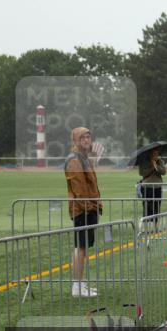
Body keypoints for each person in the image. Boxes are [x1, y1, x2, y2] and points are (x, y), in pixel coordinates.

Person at [64, 127, 103, 298]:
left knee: (83, 247)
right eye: (83, 138)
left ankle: (80, 283)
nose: (87, 140)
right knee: (80, 247)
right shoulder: (74, 160)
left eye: (89, 137)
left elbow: (90, 183)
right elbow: (79, 189)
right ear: (76, 140)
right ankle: (77, 286)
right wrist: (89, 207)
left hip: (89, 208)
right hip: (83, 210)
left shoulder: (83, 158)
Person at [137, 148, 167, 219]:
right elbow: (141, 173)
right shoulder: (144, 162)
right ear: (150, 154)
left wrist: (156, 166)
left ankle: (156, 224)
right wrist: (152, 167)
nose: (156, 155)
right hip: (147, 187)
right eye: (154, 154)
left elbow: (163, 172)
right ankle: (146, 224)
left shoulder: (160, 161)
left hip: (157, 187)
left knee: (157, 206)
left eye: (157, 154)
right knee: (147, 206)